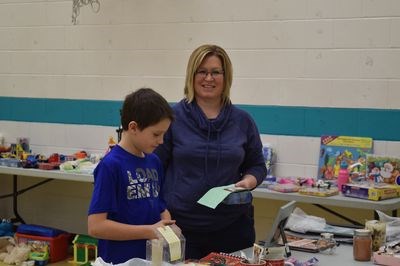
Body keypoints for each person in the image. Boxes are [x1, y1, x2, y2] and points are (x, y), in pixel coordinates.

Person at [155, 44, 267, 259]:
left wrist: (250, 181)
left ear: (226, 77)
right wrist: (162, 213)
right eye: (202, 71)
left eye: (216, 72)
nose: (209, 78)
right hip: (183, 227)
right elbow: (155, 169)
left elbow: (257, 165)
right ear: (192, 75)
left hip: (233, 228)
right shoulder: (172, 118)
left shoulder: (243, 121)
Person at [88, 88, 176, 264]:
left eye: (164, 134)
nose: (161, 141)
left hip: (151, 260)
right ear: (133, 127)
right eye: (156, 134)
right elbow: (96, 227)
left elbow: (160, 207)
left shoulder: (154, 162)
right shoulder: (111, 166)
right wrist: (149, 231)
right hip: (119, 261)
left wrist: (169, 227)